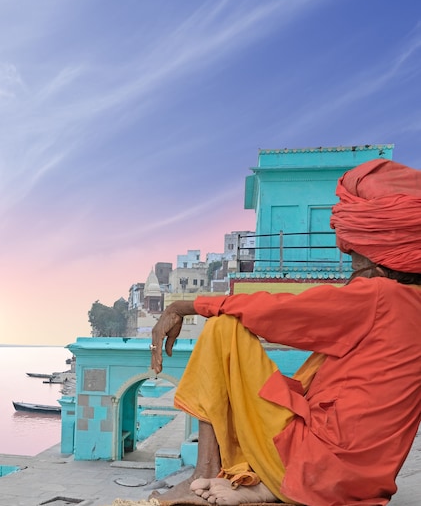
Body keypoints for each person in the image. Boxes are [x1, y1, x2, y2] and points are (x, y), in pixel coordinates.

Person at [149, 158, 421, 506]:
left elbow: (276, 312)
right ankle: (260, 484)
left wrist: (182, 306)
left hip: (314, 467)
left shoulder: (380, 297)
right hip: (360, 484)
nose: (349, 263)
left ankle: (205, 471)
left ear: (378, 256)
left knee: (222, 327)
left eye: (353, 254)